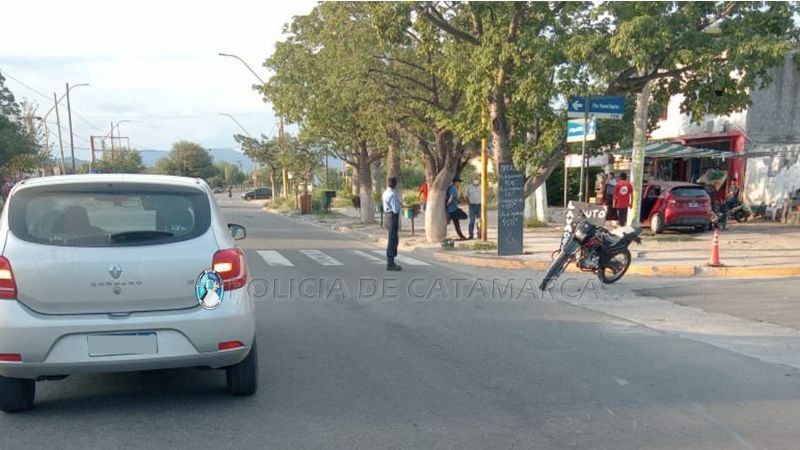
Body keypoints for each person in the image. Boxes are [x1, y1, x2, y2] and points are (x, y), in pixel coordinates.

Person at [382, 177, 402, 271]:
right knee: (393, 239)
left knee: (392, 238)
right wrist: (400, 206)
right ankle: (390, 263)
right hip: (392, 216)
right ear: (395, 184)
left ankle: (391, 261)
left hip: (387, 216)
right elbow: (395, 209)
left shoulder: (386, 192)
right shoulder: (393, 194)